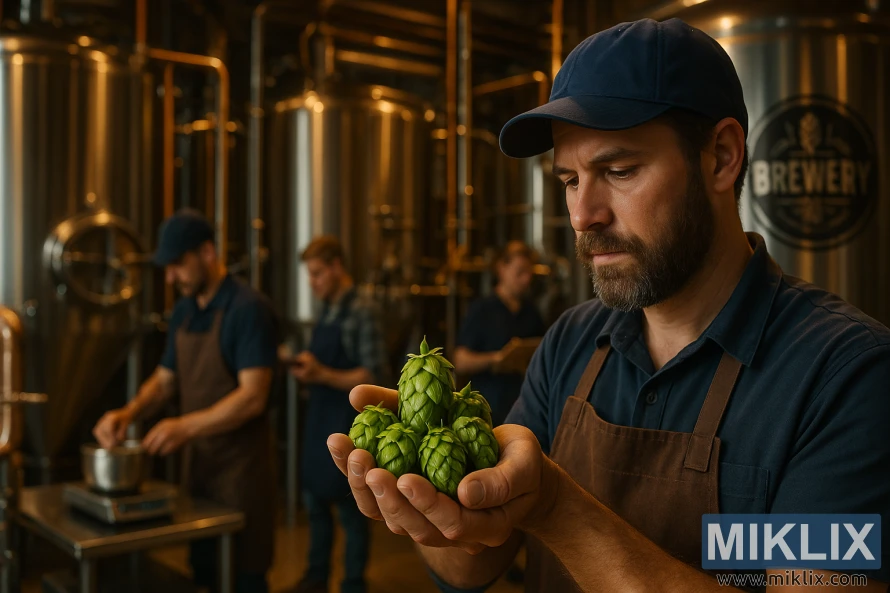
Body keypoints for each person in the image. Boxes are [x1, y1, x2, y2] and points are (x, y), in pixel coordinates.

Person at [325, 18, 890, 593]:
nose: (582, 216)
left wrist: (556, 508)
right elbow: (475, 561)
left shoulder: (845, 375)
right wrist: (426, 500)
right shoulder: (569, 344)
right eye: (570, 180)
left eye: (618, 171)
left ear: (722, 157)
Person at [93, 209, 279, 593]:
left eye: (178, 264)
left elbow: (253, 397)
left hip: (241, 476)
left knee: (243, 576)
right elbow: (165, 381)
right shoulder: (183, 310)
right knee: (204, 573)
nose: (170, 277)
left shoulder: (247, 308)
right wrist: (128, 413)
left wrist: (184, 426)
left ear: (207, 253)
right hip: (199, 474)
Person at [288, 236, 388, 593]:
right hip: (319, 418)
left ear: (336, 266)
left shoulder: (363, 309)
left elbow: (373, 375)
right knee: (315, 502)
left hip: (349, 421)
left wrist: (322, 374)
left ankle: (353, 583)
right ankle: (316, 578)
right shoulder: (327, 309)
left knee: (352, 509)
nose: (312, 283)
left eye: (317, 274)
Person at [454, 240, 546, 426]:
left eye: (529, 273)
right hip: (487, 413)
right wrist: (497, 359)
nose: (526, 279)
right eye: (520, 272)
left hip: (525, 411)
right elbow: (460, 360)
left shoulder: (531, 311)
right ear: (501, 269)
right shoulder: (482, 310)